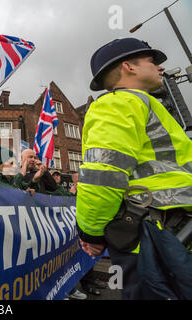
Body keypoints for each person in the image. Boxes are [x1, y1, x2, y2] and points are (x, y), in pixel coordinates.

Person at [77, 38, 192, 299]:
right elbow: (102, 176)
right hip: (152, 238)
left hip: (165, 235)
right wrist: (91, 233)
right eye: (152, 61)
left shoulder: (143, 105)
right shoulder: (116, 104)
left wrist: (91, 232)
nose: (160, 68)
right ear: (128, 66)